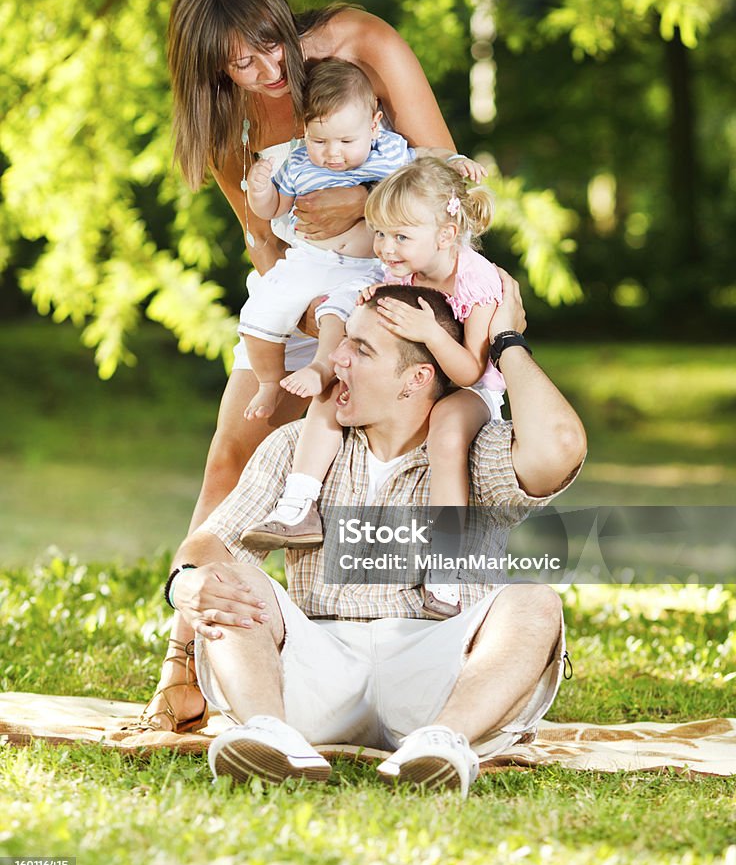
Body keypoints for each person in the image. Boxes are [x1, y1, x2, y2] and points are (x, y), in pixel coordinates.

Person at [141, 0, 472, 734]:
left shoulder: (360, 44)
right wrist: (312, 333)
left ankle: (433, 650)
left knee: (418, 455)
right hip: (308, 294)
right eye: (240, 62)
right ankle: (181, 660)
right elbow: (264, 251)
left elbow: (447, 182)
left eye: (270, 44)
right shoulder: (232, 128)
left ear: (282, 20)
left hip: (400, 281)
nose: (266, 69)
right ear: (208, 69)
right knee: (230, 452)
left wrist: (363, 208)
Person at [161, 273, 586, 798]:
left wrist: (507, 344)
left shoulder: (477, 449)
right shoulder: (299, 447)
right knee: (230, 577)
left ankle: (443, 744)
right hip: (315, 672)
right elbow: (214, 541)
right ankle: (268, 734)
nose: (336, 360)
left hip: (439, 673)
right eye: (342, 345)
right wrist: (184, 584)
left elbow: (562, 444)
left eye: (360, 350)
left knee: (534, 602)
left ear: (415, 379)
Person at [241, 158, 505, 619]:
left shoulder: (476, 279)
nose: (384, 248)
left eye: (400, 237)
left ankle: (445, 567)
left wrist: (430, 331)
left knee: (445, 430)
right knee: (329, 394)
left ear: (445, 234)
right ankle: (298, 503)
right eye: (379, 234)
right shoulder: (400, 270)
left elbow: (468, 370)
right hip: (417, 382)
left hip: (470, 389)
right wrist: (363, 298)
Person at [239, 59, 485, 420]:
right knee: (260, 308)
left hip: (367, 265)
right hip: (310, 261)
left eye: (346, 141)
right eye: (318, 140)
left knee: (337, 310)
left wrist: (456, 160)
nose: (332, 153)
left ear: (374, 126)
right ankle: (269, 383)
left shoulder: (390, 152)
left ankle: (322, 367)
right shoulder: (299, 163)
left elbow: (427, 157)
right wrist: (260, 190)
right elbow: (273, 207)